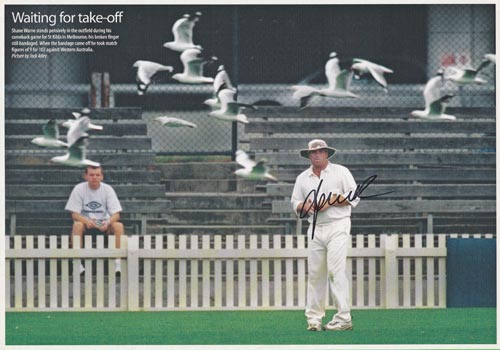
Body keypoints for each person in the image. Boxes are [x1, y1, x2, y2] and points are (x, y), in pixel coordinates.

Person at [291, 139, 360, 331]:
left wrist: (334, 200)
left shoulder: (341, 172)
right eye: (313, 153)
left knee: (335, 271)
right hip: (315, 227)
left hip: (338, 225)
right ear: (309, 156)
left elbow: (354, 196)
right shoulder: (303, 178)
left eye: (320, 152)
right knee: (315, 274)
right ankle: (314, 320)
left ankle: (343, 318)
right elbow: (295, 201)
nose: (317, 155)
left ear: (327, 154)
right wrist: (303, 206)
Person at [65, 165, 124, 273]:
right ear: (85, 176)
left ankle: (117, 263)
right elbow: (74, 214)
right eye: (91, 175)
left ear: (102, 176)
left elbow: (116, 214)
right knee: (77, 225)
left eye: (98, 175)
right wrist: (86, 221)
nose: (94, 177)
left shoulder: (108, 189)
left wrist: (108, 222)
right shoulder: (79, 189)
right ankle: (77, 264)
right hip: (86, 224)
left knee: (118, 226)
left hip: (104, 224)